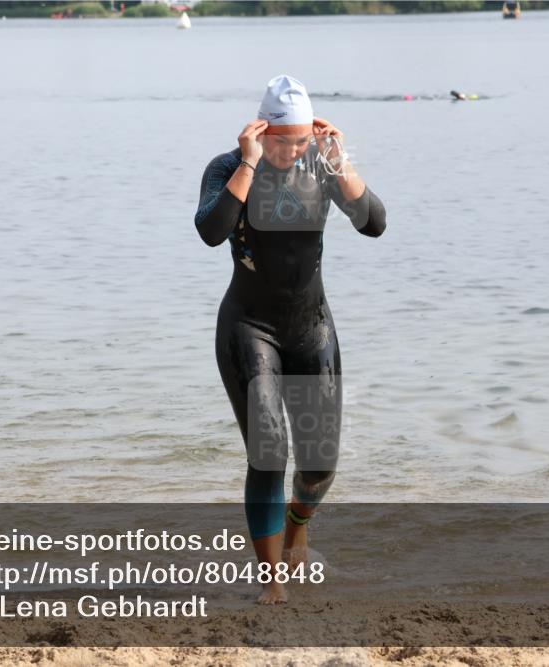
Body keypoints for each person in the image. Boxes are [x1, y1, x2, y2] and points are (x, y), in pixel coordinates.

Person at [194, 74, 387, 604]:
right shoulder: (227, 167)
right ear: (262, 132)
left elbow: (374, 224)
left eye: (302, 141)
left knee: (320, 461)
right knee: (269, 451)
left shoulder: (321, 167)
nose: (294, 151)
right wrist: (251, 161)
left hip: (311, 326)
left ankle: (298, 531)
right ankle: (272, 578)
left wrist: (337, 159)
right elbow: (212, 230)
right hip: (249, 329)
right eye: (285, 142)